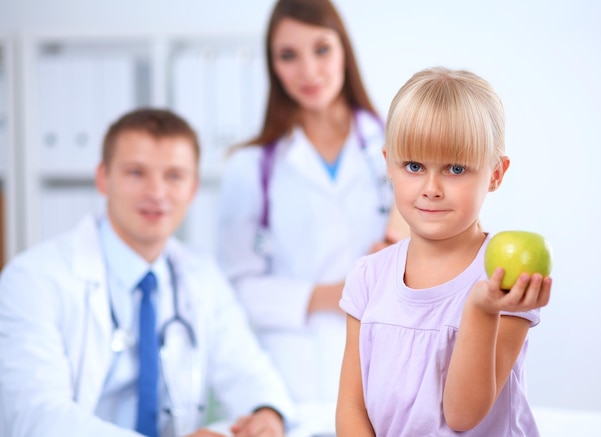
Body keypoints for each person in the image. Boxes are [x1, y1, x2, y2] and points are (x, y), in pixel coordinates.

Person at [0, 108, 294, 437]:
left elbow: (248, 370)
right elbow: (36, 416)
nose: (156, 193)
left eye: (174, 176)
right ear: (103, 177)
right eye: (136, 173)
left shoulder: (201, 276)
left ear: (193, 188)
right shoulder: (33, 279)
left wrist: (266, 413)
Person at [215, 0, 404, 429]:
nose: (308, 71)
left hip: (386, 363)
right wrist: (341, 293)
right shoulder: (249, 167)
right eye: (288, 55)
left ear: (344, 52)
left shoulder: (397, 145)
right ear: (273, 66)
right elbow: (238, 289)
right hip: (292, 379)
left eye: (321, 49)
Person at [336, 67, 553, 436]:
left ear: (496, 173)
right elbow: (351, 408)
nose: (431, 188)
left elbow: (463, 415)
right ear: (389, 164)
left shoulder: (505, 282)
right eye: (415, 166)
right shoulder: (368, 276)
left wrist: (482, 310)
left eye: (455, 168)